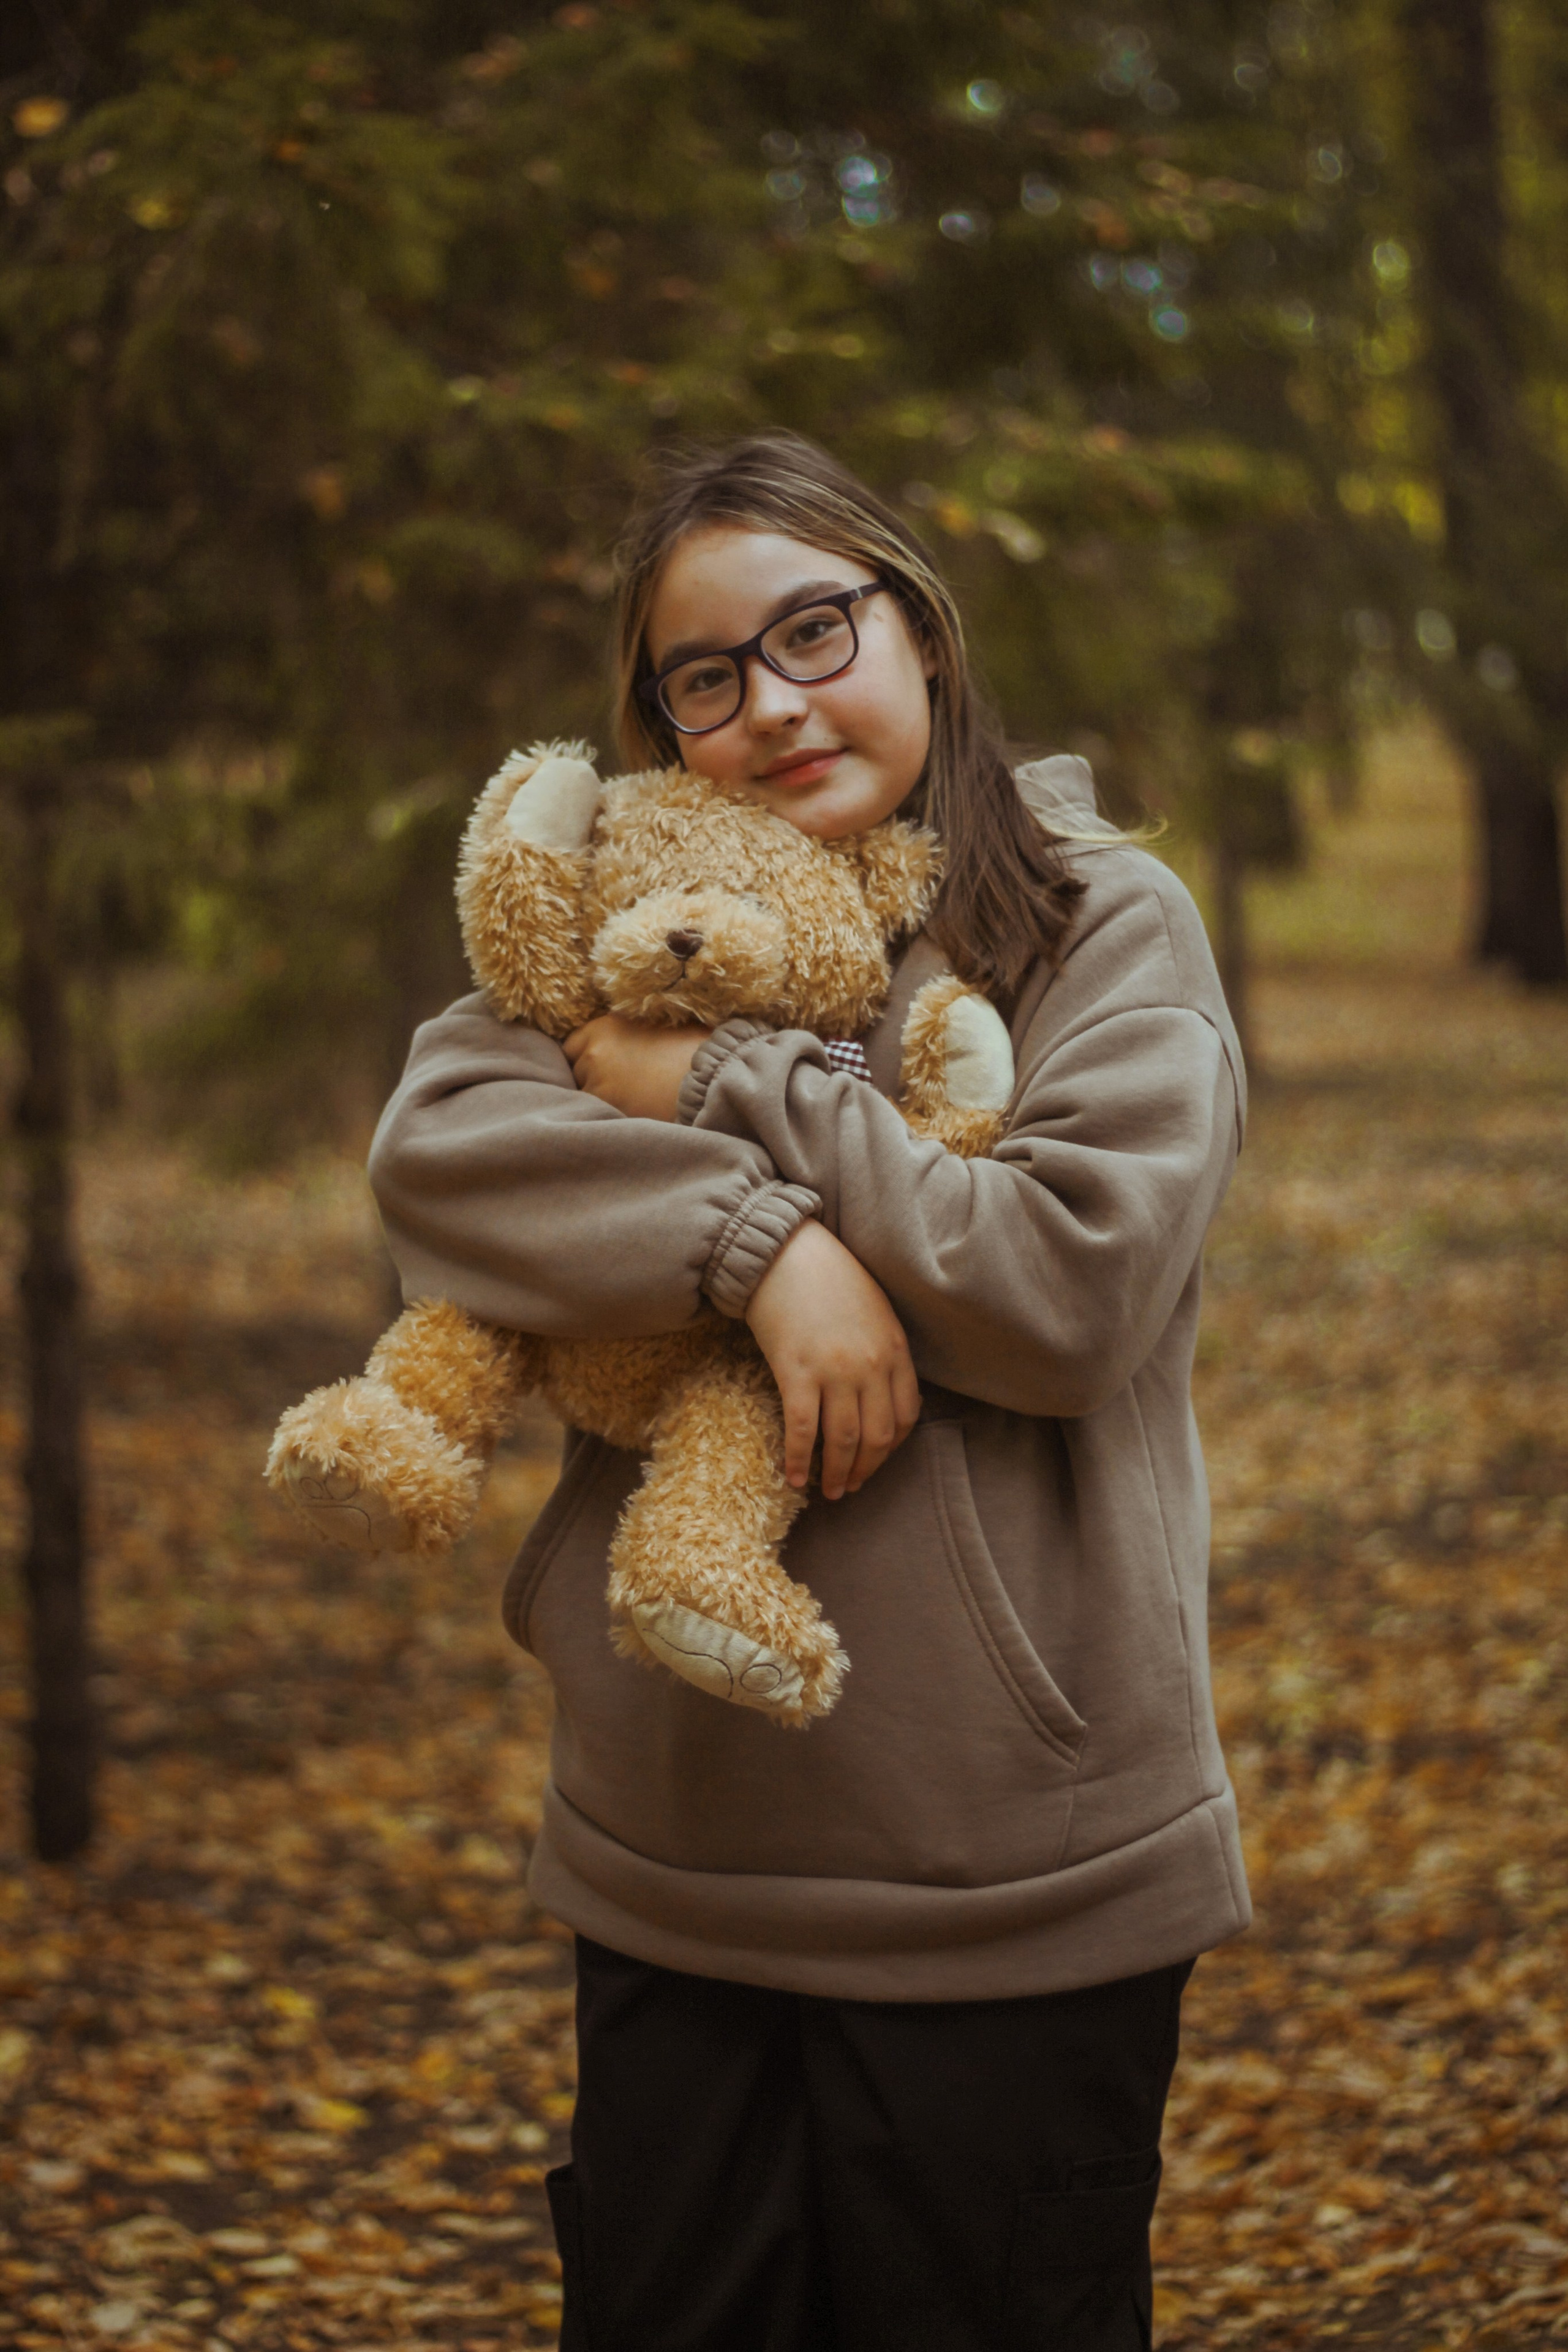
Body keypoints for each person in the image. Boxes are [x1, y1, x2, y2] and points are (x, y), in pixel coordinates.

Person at [368, 431, 1249, 2351]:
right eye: (706, 676)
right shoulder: (620, 910)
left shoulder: (1097, 926)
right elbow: (442, 1152)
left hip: (1009, 1871)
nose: (771, 706)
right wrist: (765, 1256)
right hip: (677, 1851)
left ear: (918, 629)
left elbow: (1061, 1292)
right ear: (659, 725)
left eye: (814, 632)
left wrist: (720, 1098)